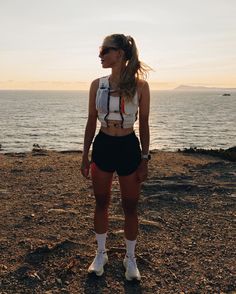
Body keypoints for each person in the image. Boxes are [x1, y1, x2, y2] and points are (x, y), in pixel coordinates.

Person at [81, 33, 151, 281]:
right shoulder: (96, 84)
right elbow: (91, 121)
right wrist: (85, 154)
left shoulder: (140, 86)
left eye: (105, 51)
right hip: (104, 145)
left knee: (130, 206)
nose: (100, 56)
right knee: (101, 202)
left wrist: (144, 159)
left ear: (119, 54)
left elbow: (143, 124)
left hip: (128, 147)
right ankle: (101, 253)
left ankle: (130, 258)